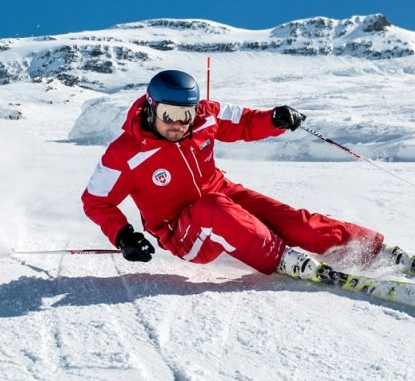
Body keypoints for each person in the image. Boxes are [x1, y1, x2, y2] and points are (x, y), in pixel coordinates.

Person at [82, 69, 391, 282]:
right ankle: (283, 258)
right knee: (213, 209)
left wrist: (273, 119)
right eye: (169, 115)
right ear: (151, 108)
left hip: (224, 195)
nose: (177, 124)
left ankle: (369, 247)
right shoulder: (125, 153)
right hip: (181, 231)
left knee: (292, 221)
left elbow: (243, 121)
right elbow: (95, 201)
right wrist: (123, 236)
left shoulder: (206, 116)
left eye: (185, 116)